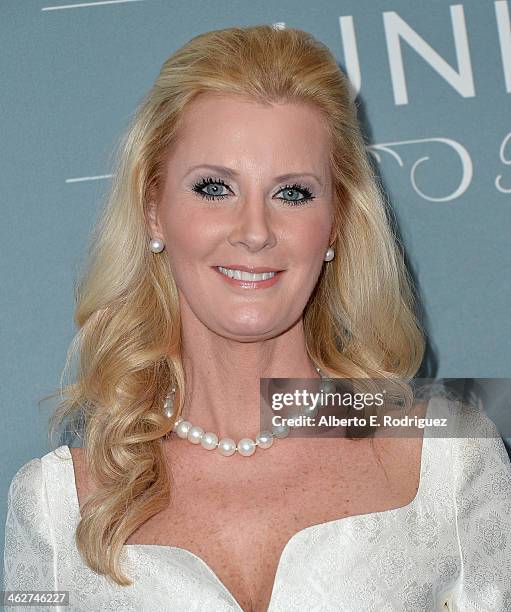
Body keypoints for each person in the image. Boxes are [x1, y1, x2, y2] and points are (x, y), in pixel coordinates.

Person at [3, 24, 511, 612]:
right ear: (153, 210)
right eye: (215, 187)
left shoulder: (450, 463)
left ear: (337, 222)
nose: (254, 231)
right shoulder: (54, 506)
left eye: (291, 194)